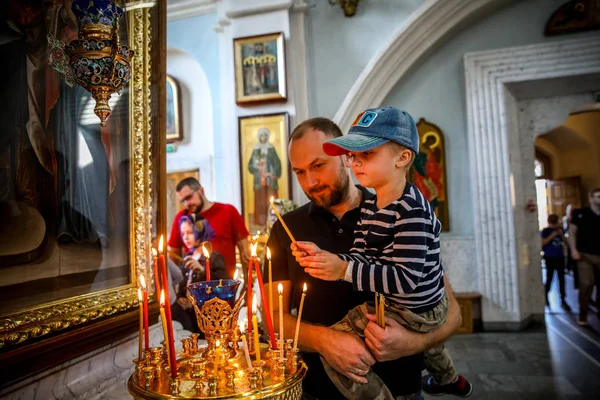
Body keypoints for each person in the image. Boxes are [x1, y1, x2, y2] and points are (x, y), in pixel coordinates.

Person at [266, 117, 464, 400]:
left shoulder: (395, 210)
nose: (309, 181)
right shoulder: (285, 229)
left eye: (318, 165)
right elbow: (273, 320)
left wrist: (411, 342)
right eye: (299, 172)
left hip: (403, 388)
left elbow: (448, 310)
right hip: (317, 391)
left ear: (346, 158)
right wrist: (325, 342)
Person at [167, 177, 250, 278]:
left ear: (201, 190)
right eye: (183, 201)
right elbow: (173, 257)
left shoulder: (228, 211)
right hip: (194, 284)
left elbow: (245, 253)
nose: (186, 204)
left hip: (225, 285)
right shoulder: (182, 218)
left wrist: (247, 284)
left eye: (189, 197)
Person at [171, 213, 229, 333]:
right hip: (187, 315)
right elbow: (182, 284)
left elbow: (224, 286)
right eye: (183, 234)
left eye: (190, 233)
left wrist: (202, 271)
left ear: (201, 231)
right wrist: (180, 298)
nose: (186, 238)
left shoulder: (214, 257)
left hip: (207, 316)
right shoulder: (186, 257)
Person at [569, 188, 600, 326]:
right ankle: (583, 313)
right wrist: (573, 249)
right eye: (598, 197)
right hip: (585, 254)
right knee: (587, 283)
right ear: (591, 198)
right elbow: (572, 232)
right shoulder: (580, 214)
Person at [248, 127, 282, 227]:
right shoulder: (256, 150)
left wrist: (271, 171)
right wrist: (257, 165)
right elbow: (250, 166)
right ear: (259, 137)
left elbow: (277, 164)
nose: (263, 137)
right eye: (261, 135)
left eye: (265, 135)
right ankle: (261, 224)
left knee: (271, 202)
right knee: (260, 203)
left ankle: (274, 225)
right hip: (259, 182)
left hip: (270, 181)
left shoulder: (271, 149)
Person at [541, 214, 571, 311]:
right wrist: (552, 235)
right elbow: (543, 243)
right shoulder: (545, 231)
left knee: (561, 279)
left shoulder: (560, 230)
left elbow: (567, 242)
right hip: (550, 257)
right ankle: (546, 296)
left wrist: (561, 235)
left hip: (560, 257)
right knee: (550, 278)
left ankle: (563, 299)